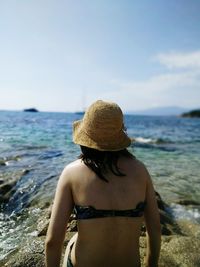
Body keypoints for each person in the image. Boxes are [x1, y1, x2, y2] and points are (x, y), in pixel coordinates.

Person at [45, 100, 161, 267]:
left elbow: (53, 241)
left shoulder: (71, 172)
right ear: (120, 132)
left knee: (74, 240)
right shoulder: (140, 171)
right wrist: (151, 264)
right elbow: (155, 228)